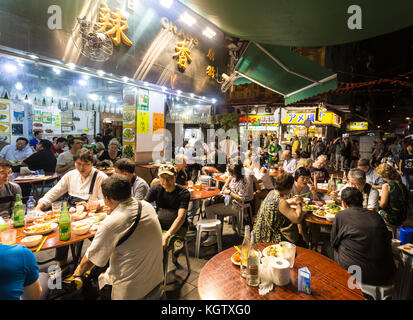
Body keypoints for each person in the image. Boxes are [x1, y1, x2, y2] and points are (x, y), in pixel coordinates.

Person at [72, 175, 164, 300]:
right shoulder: (146, 206)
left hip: (130, 291)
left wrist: (76, 274)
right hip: (156, 279)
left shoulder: (110, 224)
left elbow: (90, 260)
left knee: (87, 283)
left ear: (108, 199)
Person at [35, 149, 108, 268]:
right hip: (72, 213)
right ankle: (61, 264)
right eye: (79, 164)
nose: (82, 167)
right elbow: (54, 192)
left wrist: (94, 203)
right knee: (62, 232)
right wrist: (39, 207)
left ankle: (94, 265)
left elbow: (106, 199)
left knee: (98, 240)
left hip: (92, 217)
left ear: (92, 164)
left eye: (86, 164)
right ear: (74, 163)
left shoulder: (100, 177)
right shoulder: (70, 175)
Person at [330, 187, 395, 286]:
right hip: (384, 273)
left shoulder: (341, 215)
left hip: (358, 274)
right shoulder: (376, 216)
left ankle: (336, 285)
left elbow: (333, 242)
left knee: (327, 248)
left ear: (343, 203)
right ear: (362, 201)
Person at [144, 164, 190, 267]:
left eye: (169, 178)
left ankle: (159, 276)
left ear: (175, 177)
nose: (165, 182)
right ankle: (150, 270)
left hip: (178, 228)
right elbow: (144, 205)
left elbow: (181, 218)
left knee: (161, 244)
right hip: (159, 225)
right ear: (158, 178)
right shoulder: (155, 188)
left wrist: (167, 235)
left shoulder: (183, 193)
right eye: (162, 178)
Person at [203, 162, 254, 246]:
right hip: (228, 201)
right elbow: (223, 188)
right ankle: (212, 228)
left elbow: (241, 199)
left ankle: (213, 236)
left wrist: (229, 192)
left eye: (231, 173)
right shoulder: (232, 177)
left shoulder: (244, 181)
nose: (229, 174)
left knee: (209, 209)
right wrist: (226, 185)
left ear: (236, 173)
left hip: (236, 205)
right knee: (207, 202)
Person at [252, 172, 305, 243]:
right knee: (298, 239)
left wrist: (289, 201)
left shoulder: (272, 192)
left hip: (259, 233)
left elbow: (275, 204)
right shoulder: (281, 202)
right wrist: (299, 203)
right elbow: (297, 219)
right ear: (289, 187)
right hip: (268, 237)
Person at [375, 163, 408, 234]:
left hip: (391, 218)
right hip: (402, 215)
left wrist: (375, 200)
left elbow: (382, 205)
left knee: (374, 213)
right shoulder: (401, 184)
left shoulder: (386, 186)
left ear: (383, 176)